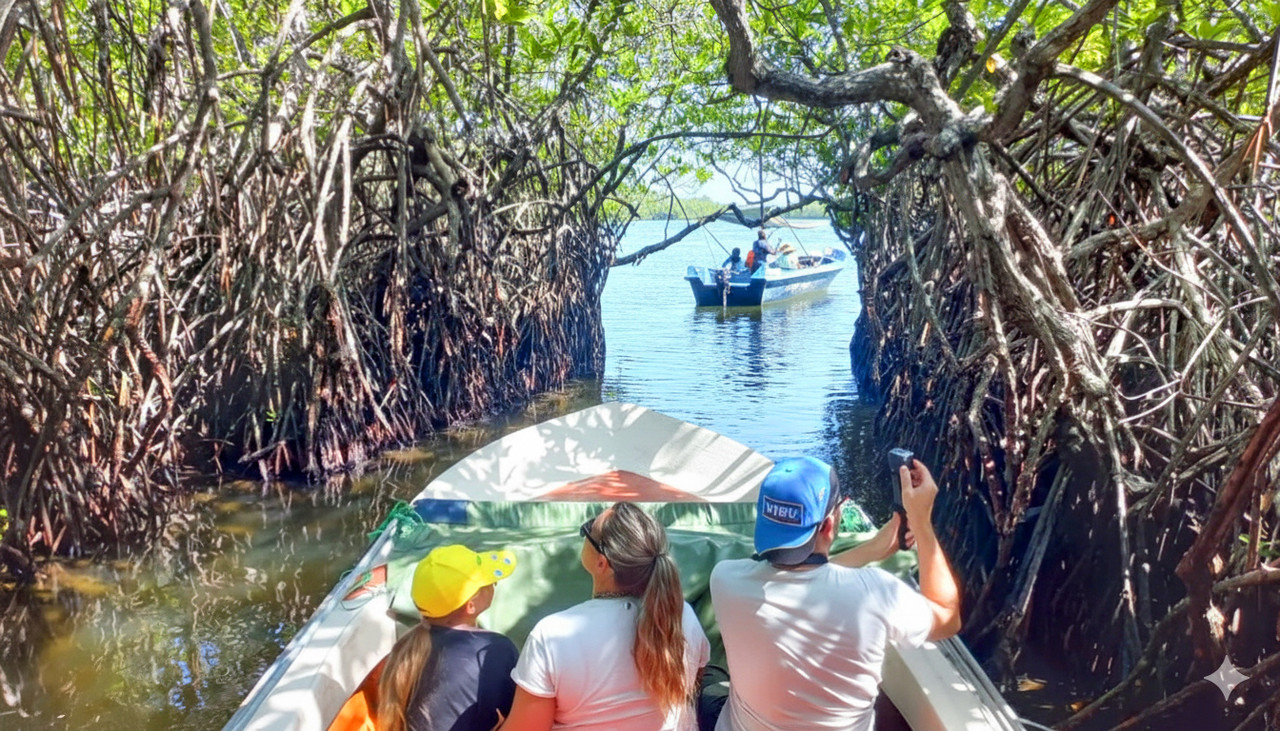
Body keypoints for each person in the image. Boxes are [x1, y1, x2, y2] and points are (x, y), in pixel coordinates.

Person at [708, 457, 962, 731]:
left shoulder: (725, 579)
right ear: (830, 525)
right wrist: (922, 523)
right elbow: (948, 618)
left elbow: (804, 580)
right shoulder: (875, 593)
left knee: (711, 679)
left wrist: (874, 549)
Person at [501, 502, 710, 731]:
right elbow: (696, 678)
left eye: (589, 529)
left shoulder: (551, 635)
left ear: (602, 563)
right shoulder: (682, 616)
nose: (586, 531)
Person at [377, 544, 520, 731]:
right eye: (490, 582)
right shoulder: (496, 650)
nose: (494, 584)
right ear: (471, 606)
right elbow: (521, 717)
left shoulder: (404, 648)